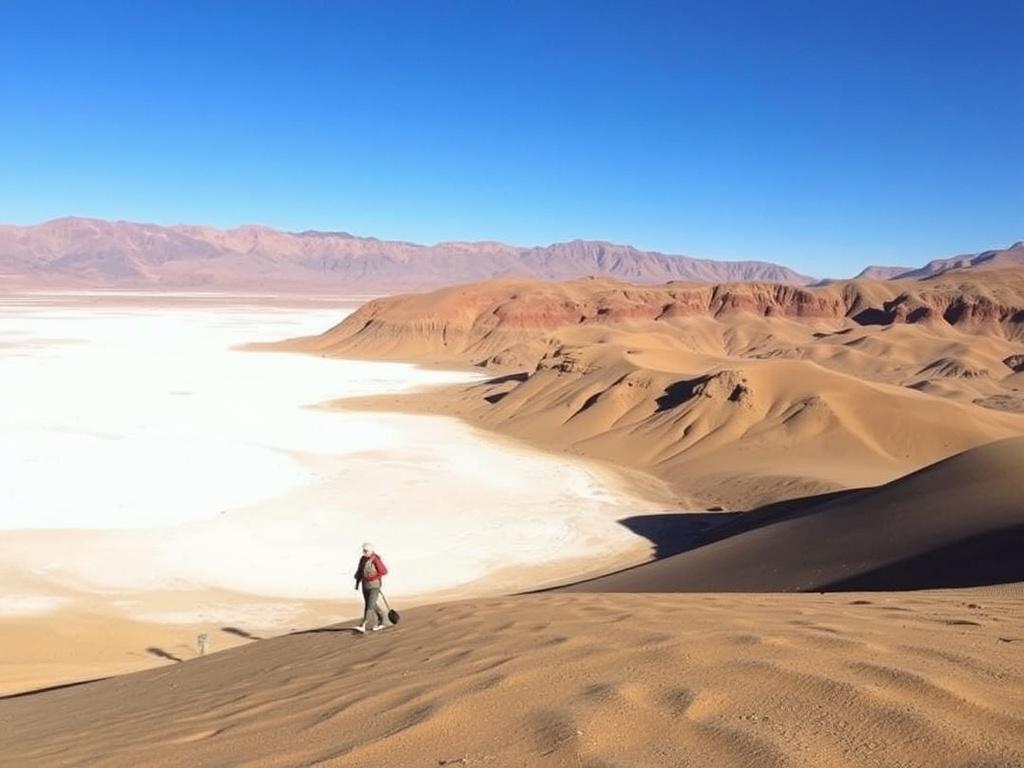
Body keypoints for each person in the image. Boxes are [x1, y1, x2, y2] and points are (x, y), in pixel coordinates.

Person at [352, 542, 388, 633]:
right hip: (365, 586)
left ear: (371, 551)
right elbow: (360, 571)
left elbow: (384, 571)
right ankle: (382, 620)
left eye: (366, 551)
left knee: (369, 606)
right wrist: (357, 581)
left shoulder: (375, 559)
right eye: (363, 550)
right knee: (370, 604)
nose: (364, 552)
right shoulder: (363, 559)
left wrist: (373, 577)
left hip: (374, 586)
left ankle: (363, 625)